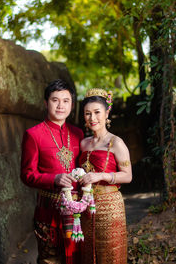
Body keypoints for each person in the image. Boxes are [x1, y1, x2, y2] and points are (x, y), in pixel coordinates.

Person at [20, 79, 84, 264]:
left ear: (72, 104)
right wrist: (54, 178)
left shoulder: (78, 134)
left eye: (66, 101)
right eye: (55, 100)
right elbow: (27, 174)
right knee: (50, 260)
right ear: (46, 102)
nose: (60, 105)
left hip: (77, 210)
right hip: (48, 209)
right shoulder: (33, 134)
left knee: (77, 258)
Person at [78, 88, 132, 264]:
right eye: (87, 113)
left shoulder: (116, 143)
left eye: (96, 112)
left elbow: (127, 176)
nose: (92, 118)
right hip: (86, 206)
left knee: (110, 253)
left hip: (110, 207)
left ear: (107, 113)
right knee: (87, 252)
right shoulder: (84, 143)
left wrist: (100, 176)